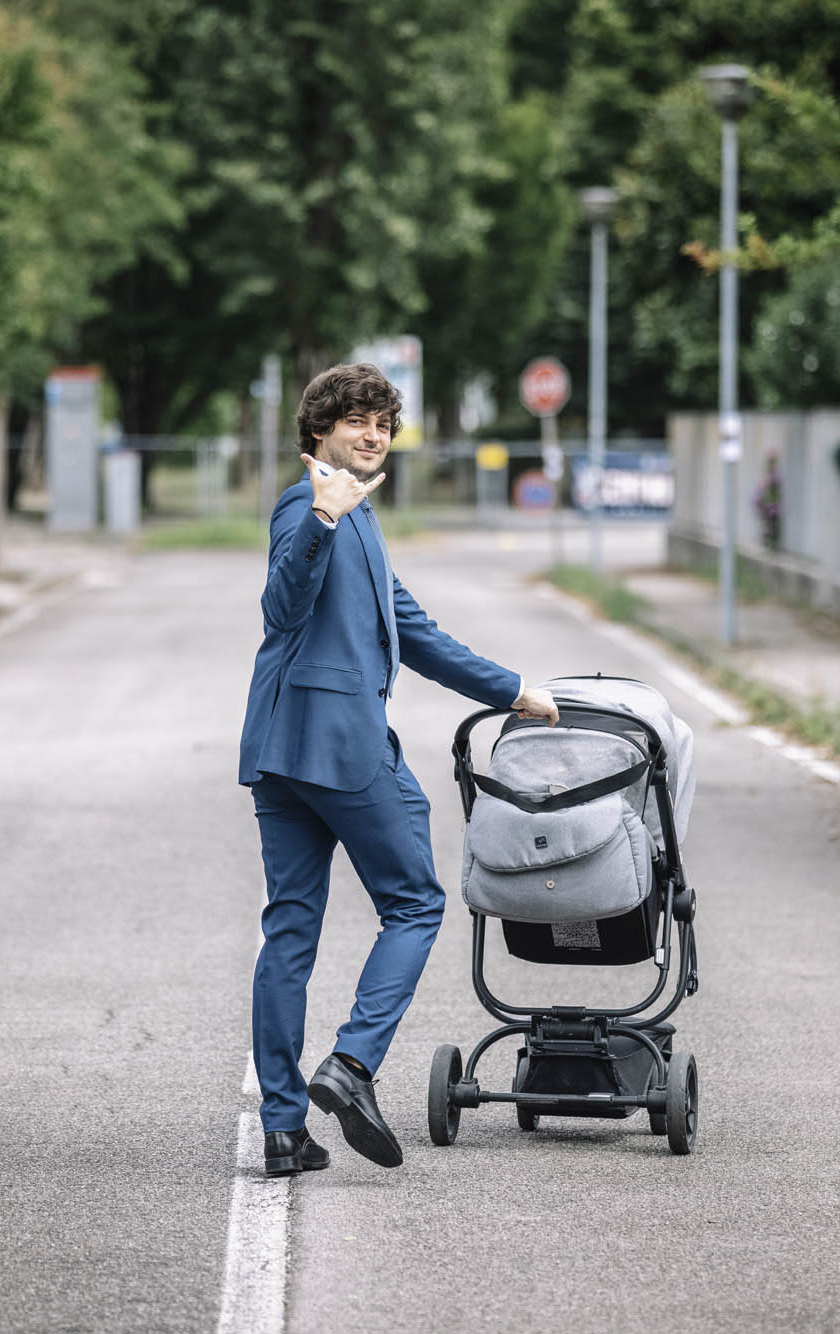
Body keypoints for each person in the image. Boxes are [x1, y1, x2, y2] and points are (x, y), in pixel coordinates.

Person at [238, 363, 559, 1176]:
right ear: (317, 431)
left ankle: (284, 1130)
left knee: (290, 931)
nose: (373, 433)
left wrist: (515, 691)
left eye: (382, 421)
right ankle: (351, 1065)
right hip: (338, 747)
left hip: (282, 750)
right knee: (415, 903)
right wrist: (319, 517)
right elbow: (281, 606)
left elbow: (415, 633)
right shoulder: (309, 503)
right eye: (355, 420)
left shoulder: (363, 516)